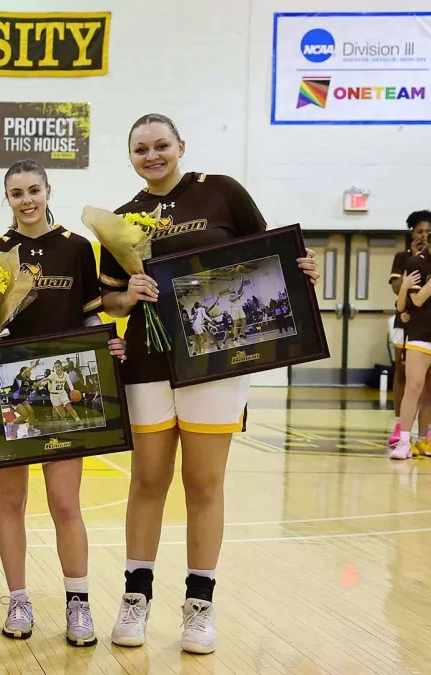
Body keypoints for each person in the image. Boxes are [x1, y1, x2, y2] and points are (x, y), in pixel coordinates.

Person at [98, 114, 318, 654]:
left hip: (215, 362)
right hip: (149, 361)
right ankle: (136, 598)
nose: (152, 156)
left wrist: (302, 271)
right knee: (147, 481)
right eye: (141, 149)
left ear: (180, 146)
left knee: (204, 484)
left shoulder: (220, 192)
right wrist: (132, 294)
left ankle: (199, 606)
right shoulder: (121, 218)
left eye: (160, 146)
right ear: (130, 156)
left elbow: (269, 257)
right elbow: (107, 299)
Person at [0, 159, 125, 646]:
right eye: (16, 193)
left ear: (47, 189)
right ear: (7, 199)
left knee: (64, 502)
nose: (26, 200)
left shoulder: (77, 248)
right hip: (11, 393)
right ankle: (18, 600)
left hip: (63, 394)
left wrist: (108, 343)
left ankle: (77, 604)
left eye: (33, 190)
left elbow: (87, 321)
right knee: (10, 501)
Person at [389, 211, 431, 450]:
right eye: (420, 232)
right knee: (404, 375)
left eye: (428, 232)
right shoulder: (404, 257)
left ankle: (424, 435)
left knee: (427, 386)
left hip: (423, 323)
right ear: (412, 233)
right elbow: (399, 291)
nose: (424, 236)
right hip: (407, 322)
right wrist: (415, 259)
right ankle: (400, 426)